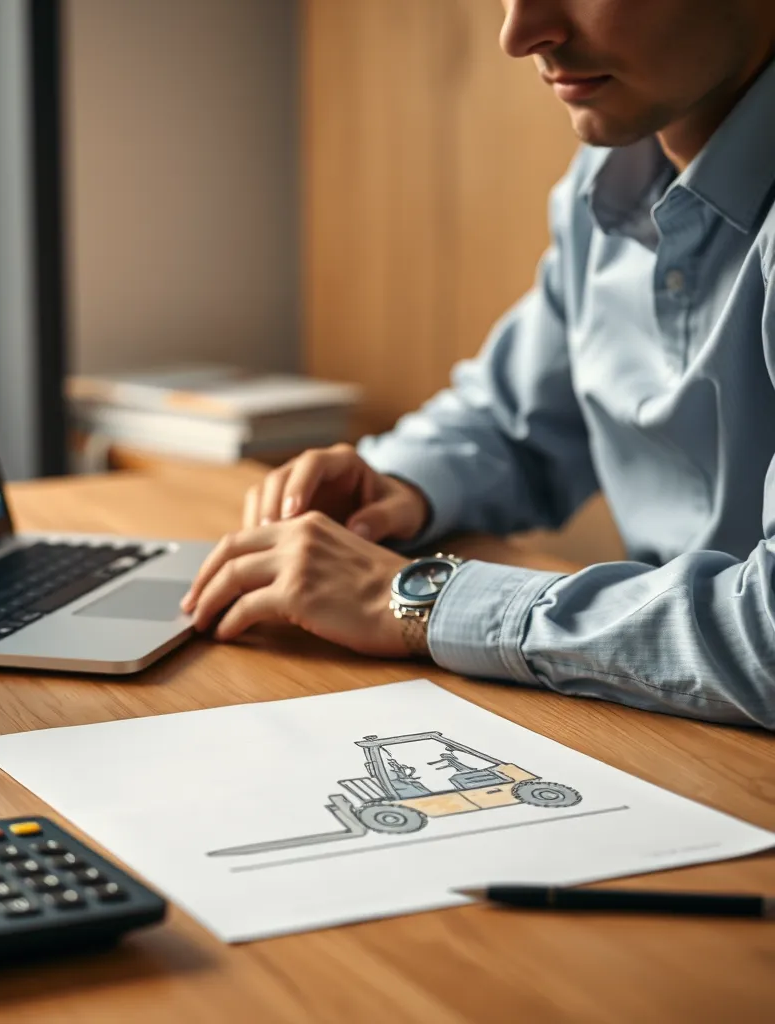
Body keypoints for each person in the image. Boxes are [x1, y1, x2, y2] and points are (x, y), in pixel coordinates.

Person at [182, 0, 775, 731]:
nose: (519, 35)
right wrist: (399, 487)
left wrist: (419, 599)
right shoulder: (615, 173)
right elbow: (519, 419)